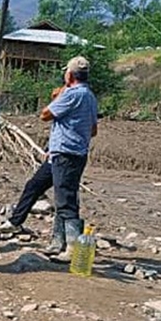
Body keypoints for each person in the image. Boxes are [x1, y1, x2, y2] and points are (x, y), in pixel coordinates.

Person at [41, 55, 99, 261]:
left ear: (70, 75)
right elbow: (93, 130)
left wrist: (58, 96)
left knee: (65, 200)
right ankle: (58, 242)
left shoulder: (71, 94)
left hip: (65, 153)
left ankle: (72, 249)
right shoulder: (90, 96)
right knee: (64, 196)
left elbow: (45, 114)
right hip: (78, 152)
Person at [5, 84, 67, 235]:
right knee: (34, 187)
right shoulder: (63, 115)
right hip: (56, 157)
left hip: (63, 158)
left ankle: (66, 237)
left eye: (55, 100)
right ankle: (16, 222)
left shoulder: (68, 109)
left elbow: (45, 115)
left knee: (64, 197)